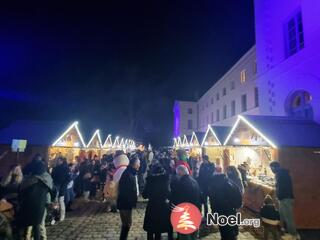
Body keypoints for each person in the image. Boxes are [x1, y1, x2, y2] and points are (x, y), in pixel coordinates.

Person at [16, 160, 53, 240]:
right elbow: (53, 191)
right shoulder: (47, 180)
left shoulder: (29, 181)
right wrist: (49, 202)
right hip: (41, 206)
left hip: (29, 206)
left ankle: (27, 238)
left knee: (27, 225)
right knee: (37, 226)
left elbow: (21, 193)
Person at [269, 161, 299, 240]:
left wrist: (279, 196)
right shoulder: (282, 173)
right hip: (284, 198)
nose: (271, 170)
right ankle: (285, 231)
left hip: (285, 199)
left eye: (272, 168)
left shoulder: (281, 174)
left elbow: (282, 188)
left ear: (276, 167)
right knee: (282, 216)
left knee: (288, 217)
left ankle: (294, 235)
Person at [142, 163, 172, 240]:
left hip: (152, 206)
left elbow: (144, 195)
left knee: (150, 228)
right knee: (158, 228)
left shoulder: (150, 180)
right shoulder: (165, 180)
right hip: (162, 206)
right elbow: (168, 193)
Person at [208, 173, 242, 240]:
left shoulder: (214, 186)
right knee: (232, 227)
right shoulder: (230, 182)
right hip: (231, 210)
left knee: (224, 230)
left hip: (221, 212)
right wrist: (236, 206)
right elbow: (238, 195)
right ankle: (234, 235)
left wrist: (214, 212)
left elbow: (212, 201)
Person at [171, 165, 201, 240]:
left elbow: (177, 199)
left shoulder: (181, 183)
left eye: (177, 174)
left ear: (180, 173)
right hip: (196, 210)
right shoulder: (194, 181)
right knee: (193, 234)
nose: (177, 176)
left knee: (185, 235)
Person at [117, 156, 140, 240]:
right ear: (134, 164)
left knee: (126, 224)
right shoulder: (129, 174)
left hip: (124, 202)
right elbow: (127, 191)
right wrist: (132, 202)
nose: (139, 165)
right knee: (127, 224)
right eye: (138, 164)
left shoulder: (130, 172)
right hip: (125, 203)